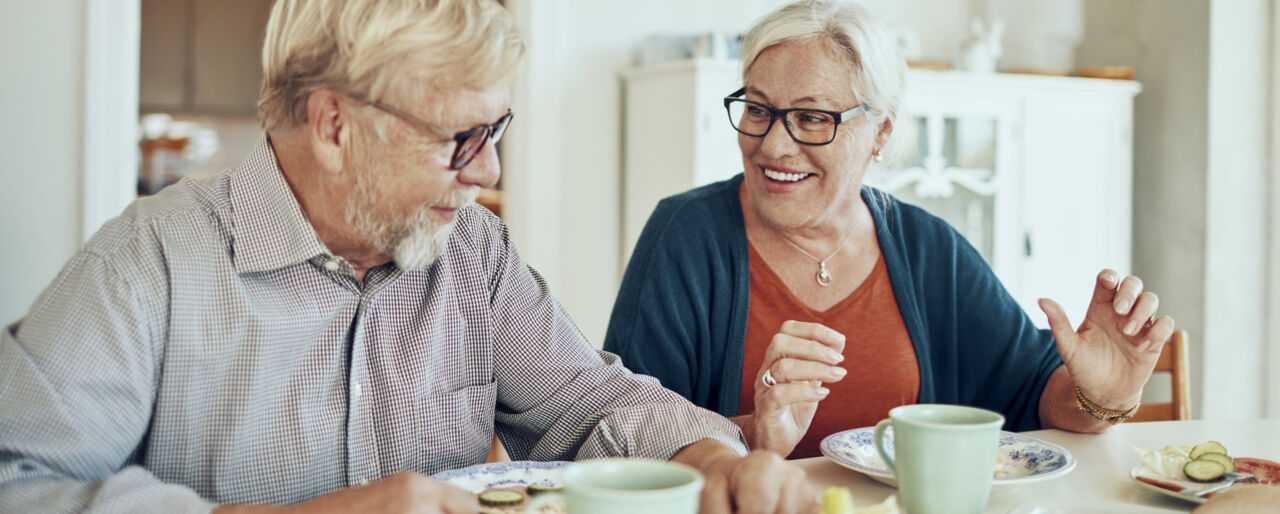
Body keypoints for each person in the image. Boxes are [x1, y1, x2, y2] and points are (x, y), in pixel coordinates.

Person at [0, 1, 814, 512]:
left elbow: (594, 405)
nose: (489, 172)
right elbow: (19, 479)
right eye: (459, 137)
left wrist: (706, 458)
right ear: (332, 124)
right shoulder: (146, 263)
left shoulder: (475, 254)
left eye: (494, 133)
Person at [604, 0, 1176, 459]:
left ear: (879, 131)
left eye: (812, 118)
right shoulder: (684, 237)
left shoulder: (929, 250)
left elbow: (1034, 395)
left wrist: (1103, 396)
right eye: (758, 109)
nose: (774, 145)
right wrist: (754, 432)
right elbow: (625, 443)